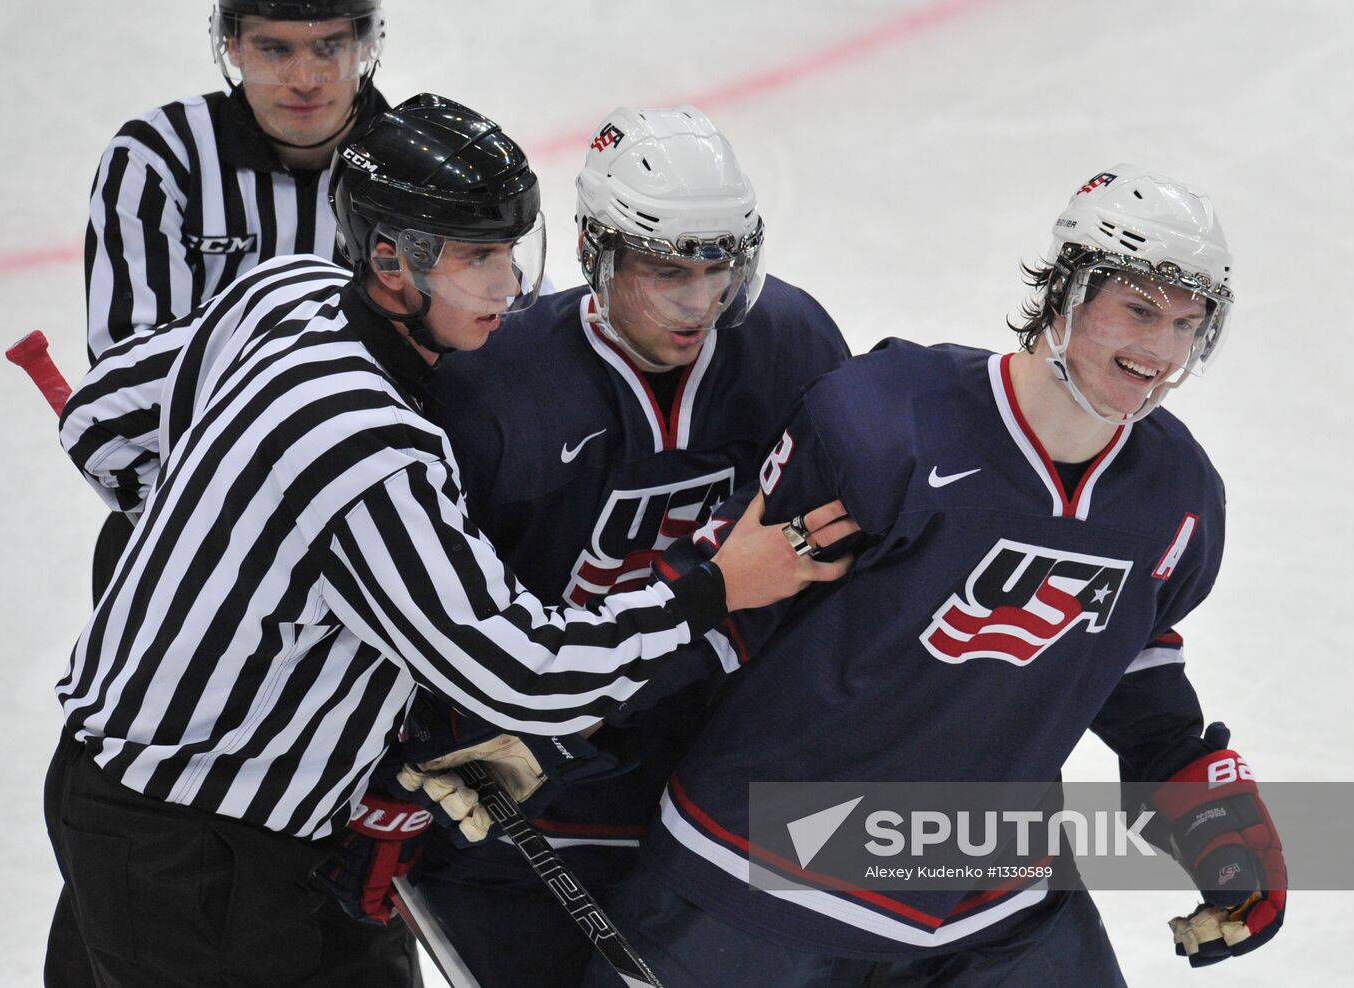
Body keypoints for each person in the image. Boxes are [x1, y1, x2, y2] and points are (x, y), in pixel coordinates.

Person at [48, 94, 853, 988]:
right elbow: (524, 674)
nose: (510, 286)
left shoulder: (286, 294)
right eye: (477, 258)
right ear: (391, 261)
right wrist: (711, 587)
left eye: (512, 251)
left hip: (251, 811)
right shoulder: (364, 449)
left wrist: (214, 545)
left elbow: (106, 417)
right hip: (192, 837)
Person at [580, 164, 1287, 986]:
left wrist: (1211, 811)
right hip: (759, 868)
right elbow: (727, 598)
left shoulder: (1178, 497)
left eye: (1185, 323)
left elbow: (1127, 656)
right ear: (1067, 290)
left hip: (993, 900)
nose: (1159, 351)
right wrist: (556, 717)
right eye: (1137, 310)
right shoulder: (887, 421)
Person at [398, 104, 850, 987]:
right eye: (664, 270)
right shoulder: (489, 382)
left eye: (718, 266)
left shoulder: (788, 345)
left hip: (720, 776)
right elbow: (433, 612)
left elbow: (831, 569)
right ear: (597, 255)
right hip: (532, 786)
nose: (698, 301)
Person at [83, 0, 392, 604]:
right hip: (186, 526)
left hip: (376, 531)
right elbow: (129, 387)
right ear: (231, 47)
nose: (304, 78)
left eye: (328, 47)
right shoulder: (158, 159)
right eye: (274, 49)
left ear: (363, 45)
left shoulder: (421, 169)